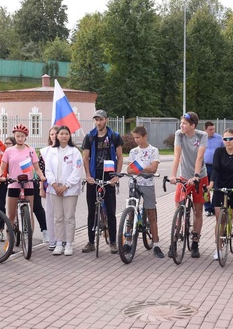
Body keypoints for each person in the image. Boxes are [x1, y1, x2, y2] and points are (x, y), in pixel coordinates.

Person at [0, 124, 46, 252]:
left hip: (28, 184)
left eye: (22, 136)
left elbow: (36, 167)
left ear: (26, 137)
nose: (20, 138)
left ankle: (28, 240)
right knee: (11, 214)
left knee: (29, 213)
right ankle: (9, 242)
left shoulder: (30, 150)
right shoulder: (9, 151)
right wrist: (0, 176)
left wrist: (41, 176)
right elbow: (2, 168)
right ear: (15, 136)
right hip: (13, 183)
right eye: (18, 136)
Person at [81, 110, 123, 254]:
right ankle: (91, 242)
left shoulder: (114, 136)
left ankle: (112, 242)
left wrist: (116, 176)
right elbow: (85, 158)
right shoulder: (89, 137)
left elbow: (120, 157)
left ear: (106, 120)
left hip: (109, 178)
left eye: (100, 120)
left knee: (111, 212)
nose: (98, 123)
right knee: (91, 212)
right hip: (93, 178)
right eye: (96, 120)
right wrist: (88, 175)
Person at [170, 112, 208, 258]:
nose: (182, 126)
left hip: (200, 176)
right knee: (179, 206)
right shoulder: (179, 134)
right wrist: (173, 176)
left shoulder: (201, 136)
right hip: (184, 176)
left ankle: (195, 242)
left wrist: (197, 176)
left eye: (185, 123)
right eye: (181, 123)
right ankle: (173, 242)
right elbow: (176, 156)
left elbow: (199, 157)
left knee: (198, 210)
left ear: (193, 125)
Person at [207, 129, 233, 260]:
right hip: (221, 187)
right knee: (220, 220)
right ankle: (218, 249)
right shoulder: (219, 152)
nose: (228, 142)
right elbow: (215, 169)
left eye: (230, 139)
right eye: (225, 139)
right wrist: (211, 184)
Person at [45, 126, 83, 256]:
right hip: (54, 189)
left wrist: (66, 186)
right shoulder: (52, 151)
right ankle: (59, 243)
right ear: (57, 136)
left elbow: (77, 171)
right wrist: (55, 185)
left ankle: (69, 244)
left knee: (69, 217)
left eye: (66, 134)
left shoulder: (75, 152)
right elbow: (48, 170)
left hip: (70, 189)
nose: (64, 136)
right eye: (61, 134)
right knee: (58, 217)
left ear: (69, 136)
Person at [127, 126, 163, 258]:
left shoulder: (153, 150)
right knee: (130, 212)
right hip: (134, 184)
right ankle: (128, 241)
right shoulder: (133, 152)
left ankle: (156, 244)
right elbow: (129, 170)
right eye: (134, 137)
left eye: (138, 137)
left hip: (148, 185)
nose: (136, 140)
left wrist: (138, 169)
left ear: (145, 136)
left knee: (151, 214)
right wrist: (143, 169)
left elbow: (153, 169)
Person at [39, 126, 60, 250]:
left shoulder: (66, 150)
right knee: (50, 213)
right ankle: (52, 240)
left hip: (62, 187)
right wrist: (41, 187)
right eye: (51, 134)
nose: (54, 136)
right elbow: (41, 171)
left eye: (56, 134)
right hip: (48, 187)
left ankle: (62, 239)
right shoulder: (44, 151)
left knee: (61, 215)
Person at [203, 121, 224, 217]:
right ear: (205, 129)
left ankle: (215, 205)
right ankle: (208, 208)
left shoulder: (219, 138)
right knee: (205, 188)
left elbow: (224, 150)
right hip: (204, 166)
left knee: (216, 187)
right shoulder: (202, 138)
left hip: (216, 167)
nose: (212, 131)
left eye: (213, 129)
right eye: (210, 129)